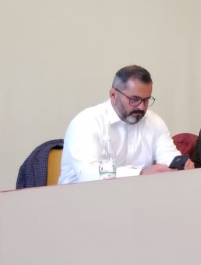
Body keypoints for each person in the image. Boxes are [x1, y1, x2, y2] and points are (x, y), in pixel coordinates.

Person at [59, 65, 192, 183]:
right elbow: (88, 175)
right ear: (113, 95)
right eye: (134, 99)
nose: (141, 107)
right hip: (79, 198)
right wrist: (141, 174)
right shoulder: (86, 122)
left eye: (146, 100)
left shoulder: (154, 122)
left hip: (134, 196)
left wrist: (182, 166)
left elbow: (169, 158)